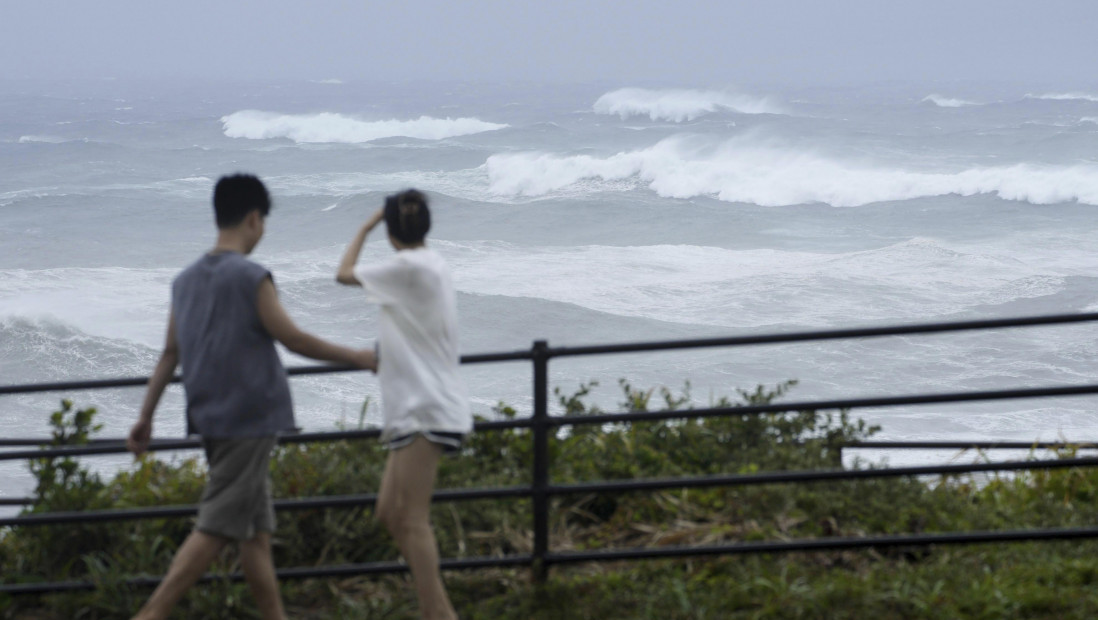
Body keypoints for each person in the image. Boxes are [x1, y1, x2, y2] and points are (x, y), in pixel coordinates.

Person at [127, 174, 376, 620]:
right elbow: (292, 339)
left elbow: (169, 354)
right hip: (250, 417)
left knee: (254, 534)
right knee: (217, 526)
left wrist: (145, 416)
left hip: (208, 415)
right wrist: (357, 356)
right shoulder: (251, 276)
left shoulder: (184, 281)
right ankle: (152, 613)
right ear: (254, 219)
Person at [336, 189, 471, 620]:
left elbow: (343, 274)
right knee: (390, 514)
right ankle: (435, 608)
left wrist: (363, 226)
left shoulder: (406, 267)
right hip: (419, 406)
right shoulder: (432, 263)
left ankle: (438, 614)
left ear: (391, 231)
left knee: (410, 520)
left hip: (424, 408)